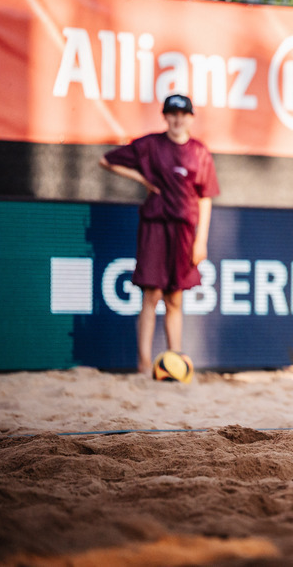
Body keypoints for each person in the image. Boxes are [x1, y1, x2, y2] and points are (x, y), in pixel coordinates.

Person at [99, 94, 219, 376]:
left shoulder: (199, 152)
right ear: (165, 116)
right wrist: (141, 178)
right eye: (172, 113)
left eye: (183, 114)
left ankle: (175, 363)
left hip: (184, 231)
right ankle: (143, 365)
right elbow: (106, 160)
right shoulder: (150, 145)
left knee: (175, 298)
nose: (177, 119)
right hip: (155, 226)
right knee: (151, 295)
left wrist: (201, 240)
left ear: (191, 118)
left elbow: (206, 197)